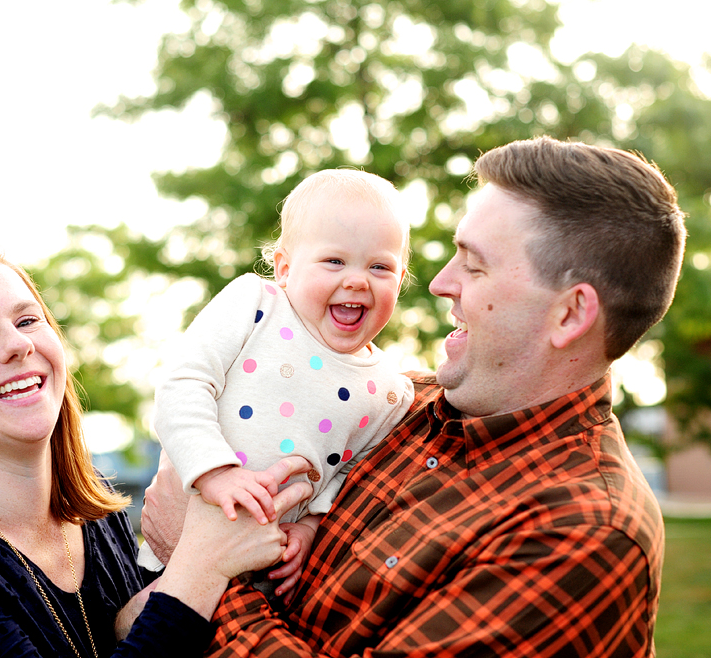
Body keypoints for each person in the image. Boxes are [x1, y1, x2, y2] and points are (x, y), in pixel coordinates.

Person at [138, 136, 686, 657]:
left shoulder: (582, 533)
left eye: (474, 265)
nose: (437, 283)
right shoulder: (401, 402)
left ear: (569, 314)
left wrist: (199, 566)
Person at [0, 242, 312, 658]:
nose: (17, 345)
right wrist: (201, 565)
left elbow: (132, 637)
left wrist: (214, 544)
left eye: (28, 321)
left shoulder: (99, 522)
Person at [141, 169, 415, 598]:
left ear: (399, 282)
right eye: (335, 261)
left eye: (380, 266)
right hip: (177, 548)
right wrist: (216, 472)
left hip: (265, 573)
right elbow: (183, 384)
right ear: (285, 268)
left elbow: (346, 475)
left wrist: (310, 527)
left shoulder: (391, 392)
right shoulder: (255, 306)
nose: (358, 280)